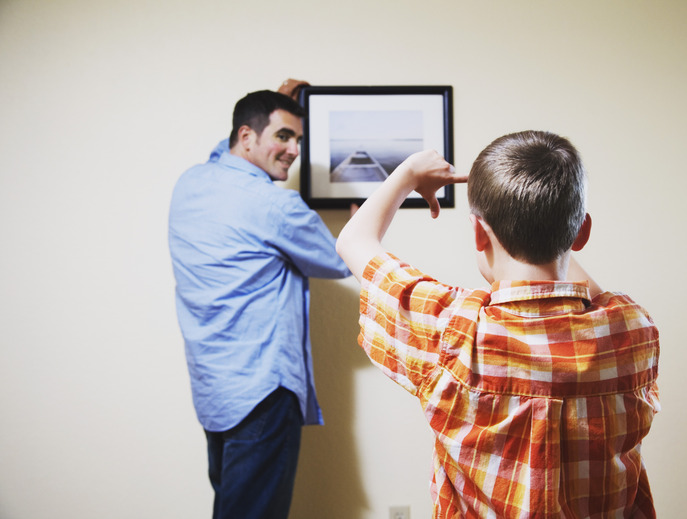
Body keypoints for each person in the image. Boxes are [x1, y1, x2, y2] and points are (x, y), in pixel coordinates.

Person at [336, 131, 660, 518]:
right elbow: (593, 295)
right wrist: (554, 224)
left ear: (477, 233)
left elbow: (354, 241)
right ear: (582, 233)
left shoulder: (453, 328)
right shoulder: (629, 330)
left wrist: (408, 173)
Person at [168, 88, 351, 519]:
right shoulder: (274, 204)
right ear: (247, 136)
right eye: (284, 136)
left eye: (299, 141)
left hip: (215, 390)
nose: (293, 150)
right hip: (264, 392)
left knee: (232, 507)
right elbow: (339, 262)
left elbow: (225, 153)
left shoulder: (192, 182)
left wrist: (266, 113)